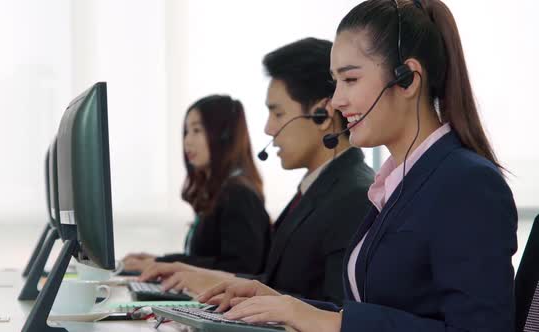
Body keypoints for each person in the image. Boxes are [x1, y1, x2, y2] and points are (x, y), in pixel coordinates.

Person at [196, 1, 518, 331]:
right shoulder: (398, 181)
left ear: (407, 80)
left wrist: (326, 322)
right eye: (335, 82)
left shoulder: (467, 183)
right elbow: (376, 310)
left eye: (350, 79)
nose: (336, 101)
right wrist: (286, 304)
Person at [139, 38, 374, 305]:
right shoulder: (316, 190)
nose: (268, 129)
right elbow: (276, 286)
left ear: (322, 114)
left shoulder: (354, 196)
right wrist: (200, 275)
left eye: (277, 113)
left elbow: (339, 314)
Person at [123, 95, 271, 275]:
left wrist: (166, 264)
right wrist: (158, 262)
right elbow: (209, 260)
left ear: (224, 135)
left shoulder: (239, 195)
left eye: (196, 130)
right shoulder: (221, 192)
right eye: (186, 131)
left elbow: (240, 269)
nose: (187, 141)